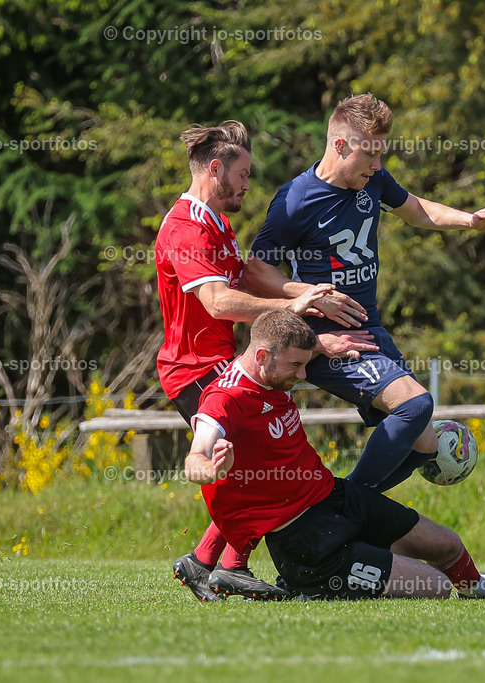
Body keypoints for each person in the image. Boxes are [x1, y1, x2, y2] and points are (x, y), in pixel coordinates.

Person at [246, 93, 485, 492]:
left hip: (370, 328)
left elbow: (415, 209)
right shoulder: (297, 200)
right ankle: (345, 506)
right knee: (416, 405)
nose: (377, 165)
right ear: (339, 145)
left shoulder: (372, 180)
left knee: (424, 446)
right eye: (369, 154)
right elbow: (255, 269)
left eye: (381, 154)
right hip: (328, 337)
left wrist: (471, 221)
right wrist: (307, 294)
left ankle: (350, 511)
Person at [157, 120, 379, 601]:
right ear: (215, 169)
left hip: (218, 359)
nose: (247, 184)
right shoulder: (185, 229)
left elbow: (250, 277)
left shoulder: (215, 221)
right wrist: (293, 309)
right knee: (266, 464)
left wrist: (310, 295)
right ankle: (227, 565)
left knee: (268, 457)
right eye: (242, 174)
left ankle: (206, 563)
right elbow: (217, 301)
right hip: (193, 368)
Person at [184, 309, 485, 600]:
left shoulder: (273, 369)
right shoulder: (226, 397)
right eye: (297, 366)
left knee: (447, 545)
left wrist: (324, 343)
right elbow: (200, 447)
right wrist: (203, 465)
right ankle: (306, 586)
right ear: (262, 356)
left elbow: (291, 341)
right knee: (433, 586)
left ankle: (479, 587)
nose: (304, 373)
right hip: (306, 541)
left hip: (336, 498)